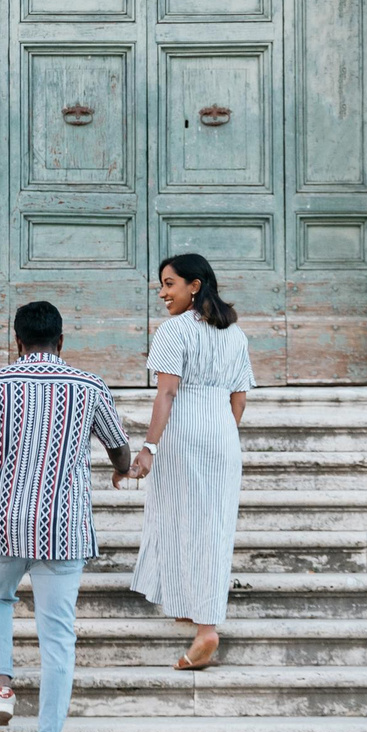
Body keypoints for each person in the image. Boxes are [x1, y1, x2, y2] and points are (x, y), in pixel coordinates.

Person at [0, 299, 133, 732]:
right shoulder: (89, 385)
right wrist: (122, 470)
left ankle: (2, 686)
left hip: (5, 522)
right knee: (58, 638)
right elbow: (118, 446)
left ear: (17, 343)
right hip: (64, 528)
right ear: (61, 342)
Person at [129, 252, 255, 669]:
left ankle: (206, 629)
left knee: (184, 521)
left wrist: (149, 448)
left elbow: (165, 394)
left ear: (194, 286)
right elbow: (239, 398)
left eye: (169, 284)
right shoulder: (235, 334)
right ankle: (191, 606)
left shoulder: (173, 331)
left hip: (184, 431)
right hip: (222, 433)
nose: (162, 293)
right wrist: (223, 435)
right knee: (212, 525)